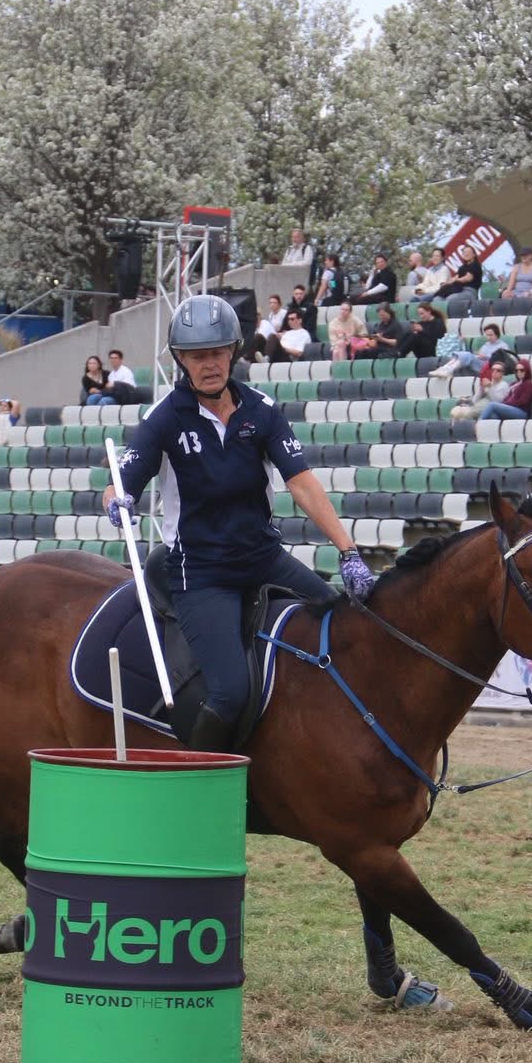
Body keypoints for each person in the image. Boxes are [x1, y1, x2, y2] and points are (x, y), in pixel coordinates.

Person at [102, 294, 368, 752]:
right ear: (182, 361)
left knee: (343, 624)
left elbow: (302, 484)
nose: (210, 364)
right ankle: (193, 777)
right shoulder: (164, 418)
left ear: (234, 352)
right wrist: (117, 500)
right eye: (198, 356)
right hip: (201, 572)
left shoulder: (261, 410)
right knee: (229, 692)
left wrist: (349, 552)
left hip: (263, 558)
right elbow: (118, 482)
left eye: (218, 352)